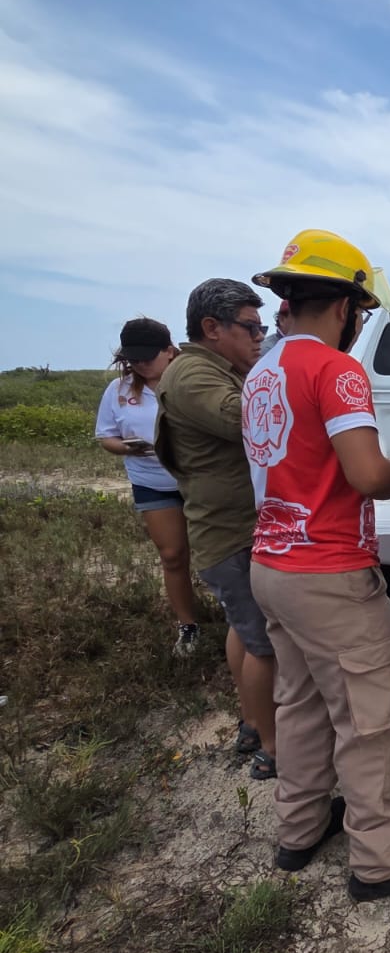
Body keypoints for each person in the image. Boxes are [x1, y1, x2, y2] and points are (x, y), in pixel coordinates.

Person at [244, 230, 390, 901]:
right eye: (360, 311)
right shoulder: (336, 370)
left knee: (300, 700)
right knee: (369, 715)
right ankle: (382, 862)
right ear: (345, 307)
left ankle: (300, 829)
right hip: (327, 571)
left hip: (271, 562)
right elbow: (365, 474)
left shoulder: (263, 369)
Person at [155, 279, 278, 780]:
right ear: (212, 328)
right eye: (251, 327)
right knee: (266, 644)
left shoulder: (211, 370)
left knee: (245, 633)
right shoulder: (192, 376)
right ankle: (273, 747)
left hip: (227, 531)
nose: (258, 338)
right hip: (231, 534)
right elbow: (251, 421)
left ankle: (252, 722)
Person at [95, 318, 200, 656]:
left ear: (169, 351)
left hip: (200, 481)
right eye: (132, 359)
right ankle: (188, 625)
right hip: (152, 481)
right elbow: (106, 436)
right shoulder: (119, 390)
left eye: (147, 356)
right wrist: (127, 447)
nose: (139, 364)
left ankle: (238, 613)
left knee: (222, 554)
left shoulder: (194, 379)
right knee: (172, 555)